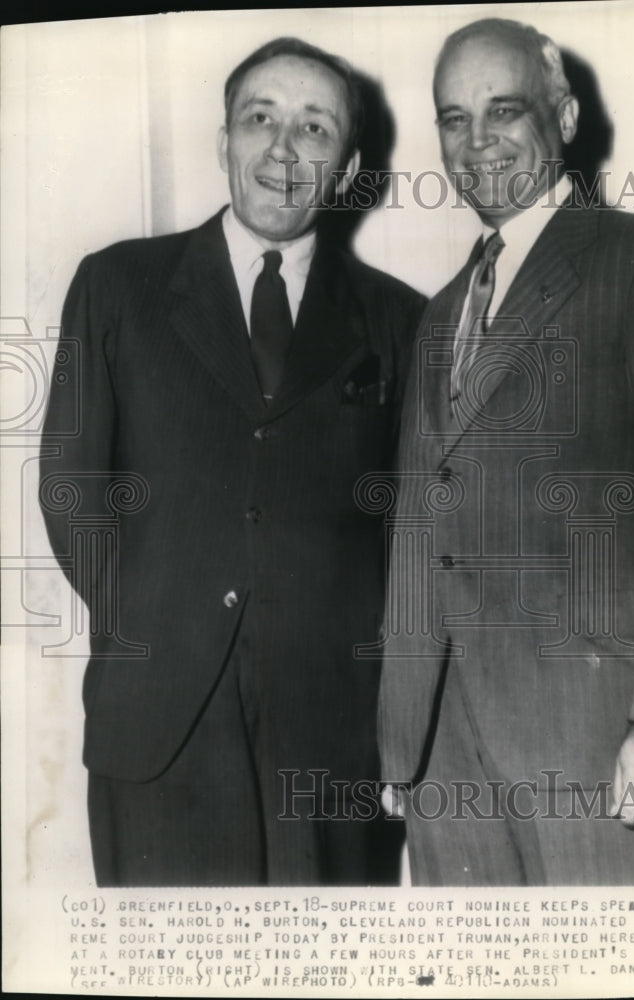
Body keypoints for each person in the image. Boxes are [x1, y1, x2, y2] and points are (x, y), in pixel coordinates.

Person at [39, 36, 425, 886]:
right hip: (160, 722)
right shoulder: (117, 287)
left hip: (334, 733)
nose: (283, 149)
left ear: (348, 165)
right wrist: (158, 614)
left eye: (314, 127)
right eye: (261, 119)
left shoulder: (402, 321)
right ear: (224, 142)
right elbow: (72, 489)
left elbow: (412, 531)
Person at [377, 18, 634, 885]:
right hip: (444, 747)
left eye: (504, 109)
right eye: (453, 118)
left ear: (567, 115)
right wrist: (400, 734)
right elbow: (417, 526)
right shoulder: (439, 314)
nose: (477, 142)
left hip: (594, 733)